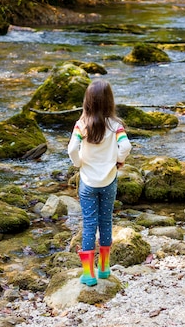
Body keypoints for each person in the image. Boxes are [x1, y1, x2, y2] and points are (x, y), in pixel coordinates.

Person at [67, 79, 132, 286]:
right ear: (109, 102)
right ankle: (104, 269)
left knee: (88, 225)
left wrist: (79, 164)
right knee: (105, 223)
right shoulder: (115, 126)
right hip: (108, 181)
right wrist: (118, 161)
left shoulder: (82, 125)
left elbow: (71, 150)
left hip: (87, 182)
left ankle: (88, 274)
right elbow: (126, 147)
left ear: (88, 101)